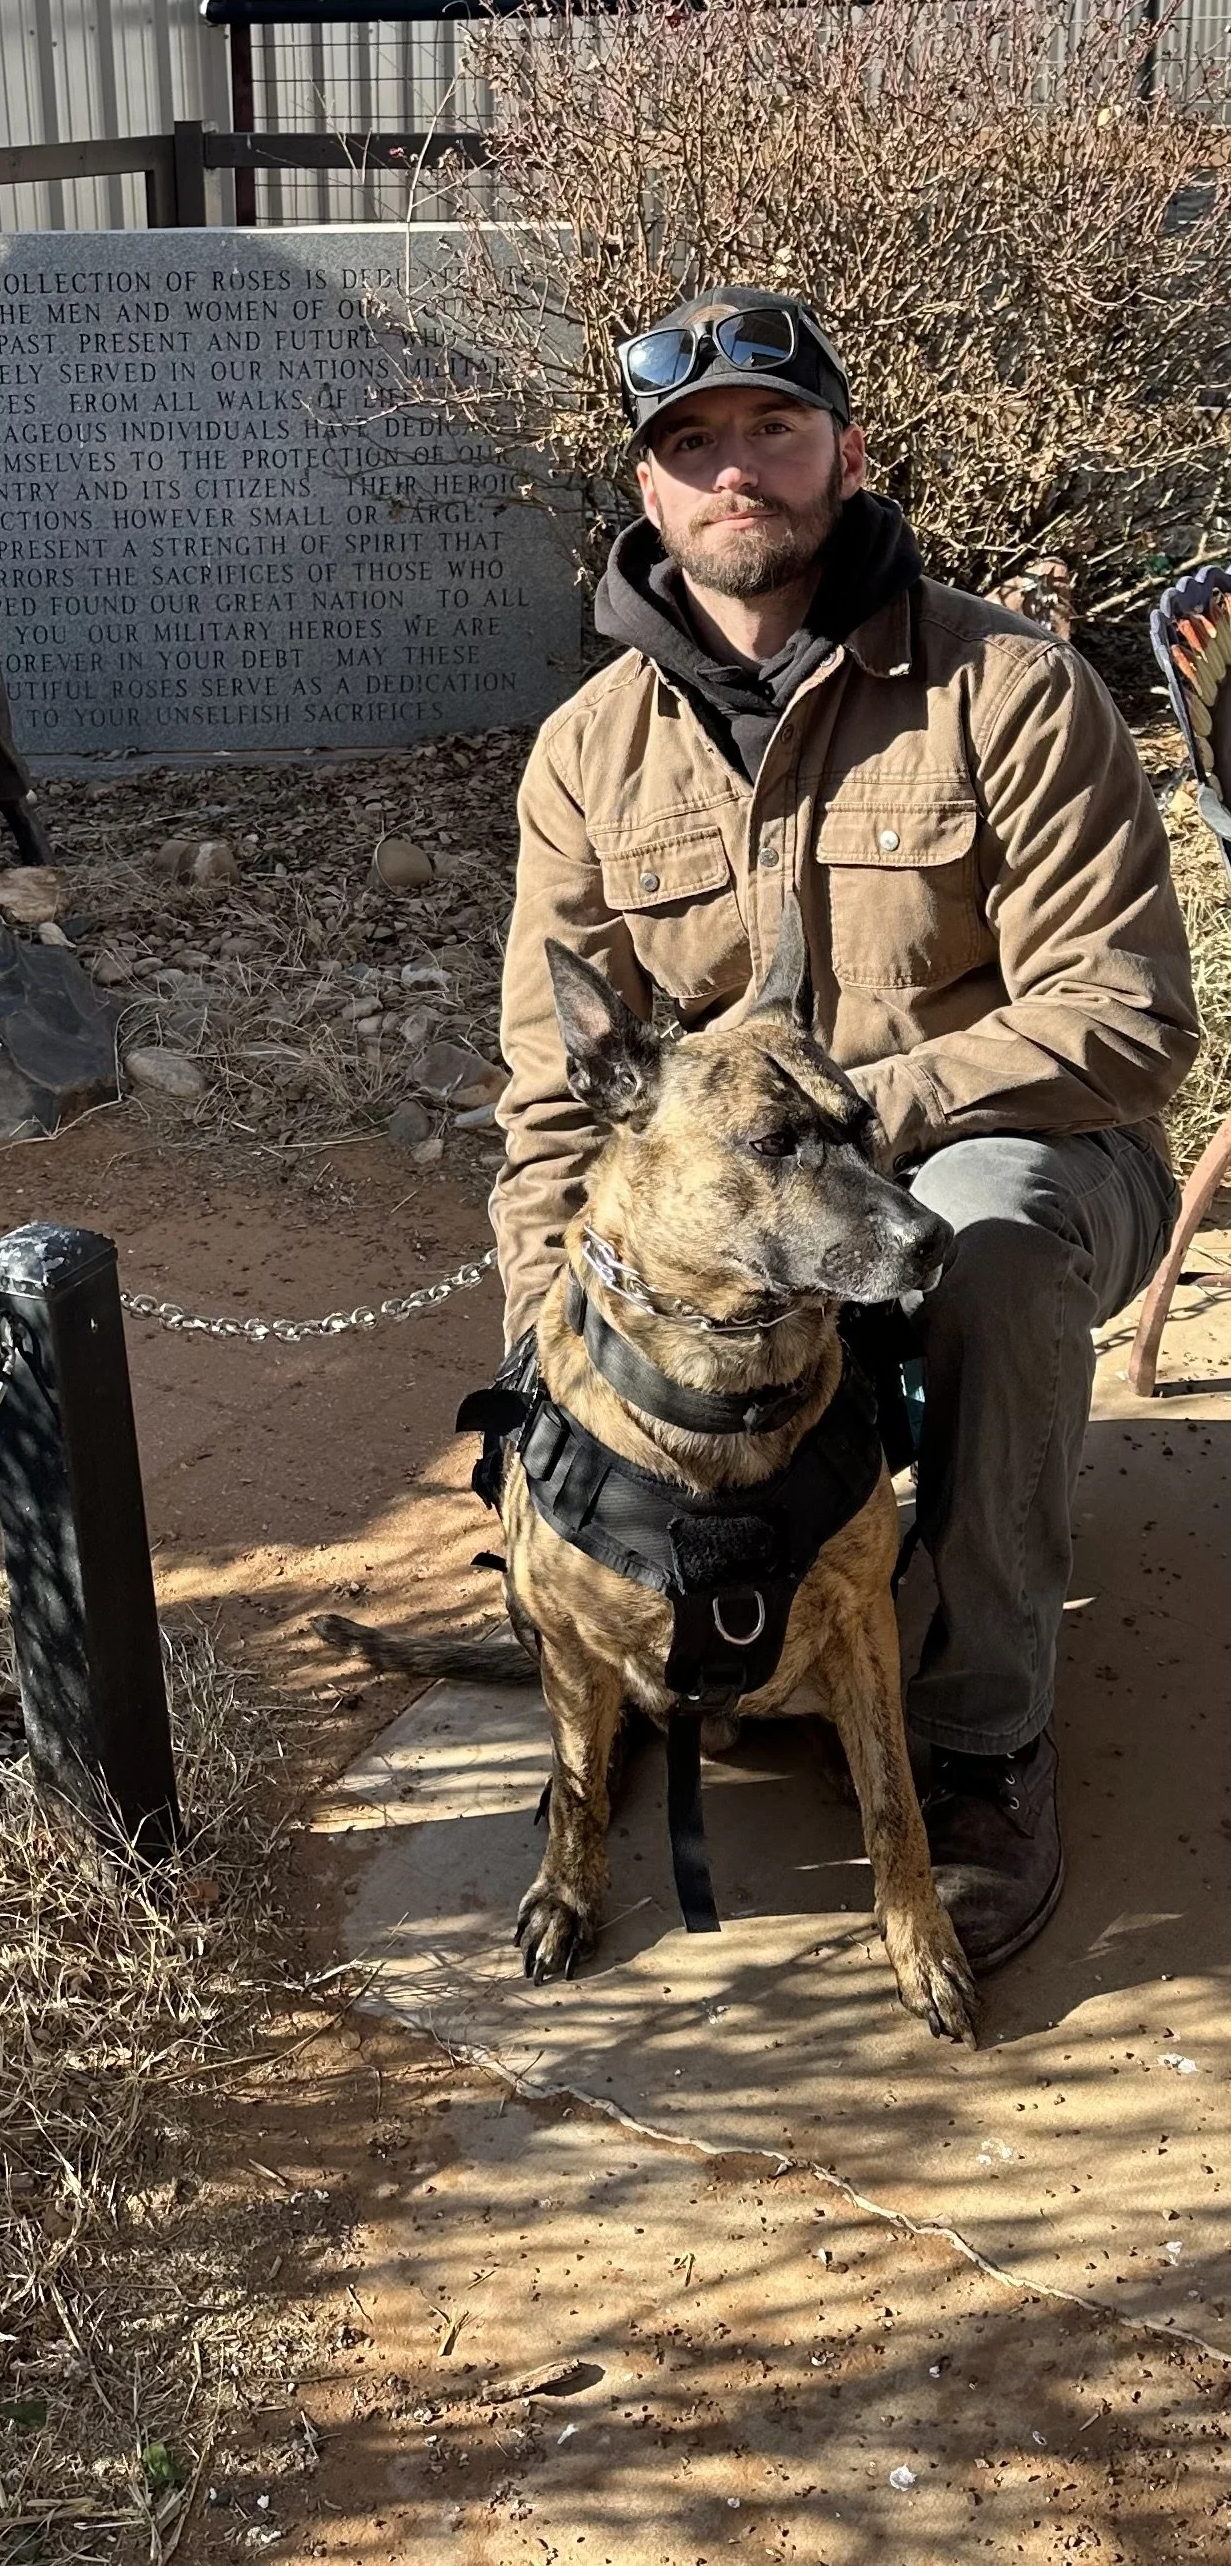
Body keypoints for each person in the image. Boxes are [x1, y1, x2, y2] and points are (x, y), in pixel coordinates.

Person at [492, 289, 1197, 1967]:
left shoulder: (1008, 692)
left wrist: (874, 1112)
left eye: (772, 432)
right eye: (692, 447)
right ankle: (729, 1595)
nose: (736, 473)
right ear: (647, 495)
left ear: (843, 454)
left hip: (1009, 1144)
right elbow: (550, 1096)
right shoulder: (584, 757)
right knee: (628, 1306)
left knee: (988, 1246)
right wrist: (543, 1341)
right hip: (736, 1193)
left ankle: (978, 1735)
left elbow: (1131, 1016)